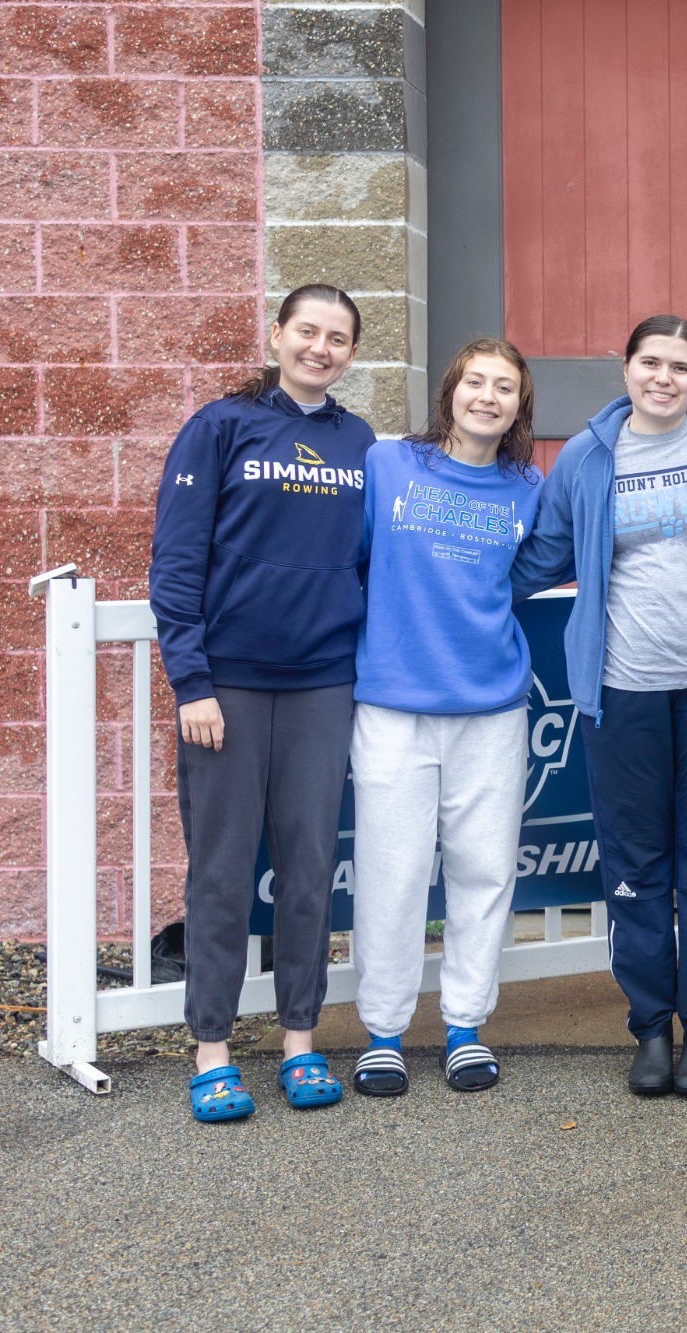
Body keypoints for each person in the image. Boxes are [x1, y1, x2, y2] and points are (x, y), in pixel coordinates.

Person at [510, 315, 687, 1099]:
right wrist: (443, 577)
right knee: (636, 865)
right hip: (621, 688)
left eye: (682, 365)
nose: (665, 377)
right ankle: (651, 1025)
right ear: (624, 367)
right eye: (651, 362)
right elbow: (541, 556)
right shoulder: (588, 458)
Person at [149, 284, 373, 1122]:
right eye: (307, 331)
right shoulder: (220, 426)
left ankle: (300, 1042)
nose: (321, 347)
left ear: (353, 352)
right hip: (229, 691)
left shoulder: (359, 442)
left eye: (338, 337)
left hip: (322, 684)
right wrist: (192, 682)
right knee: (221, 871)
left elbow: (368, 561)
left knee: (310, 866)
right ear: (277, 335)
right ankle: (212, 1050)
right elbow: (176, 561)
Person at [348, 338, 542, 1097]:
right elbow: (354, 558)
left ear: (520, 406)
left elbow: (529, 573)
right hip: (394, 705)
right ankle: (384, 1032)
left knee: (483, 870)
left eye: (505, 388)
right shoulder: (390, 465)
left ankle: (465, 1024)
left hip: (490, 708)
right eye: (476, 382)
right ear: (450, 391)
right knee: (392, 874)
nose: (488, 397)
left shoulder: (529, 487)